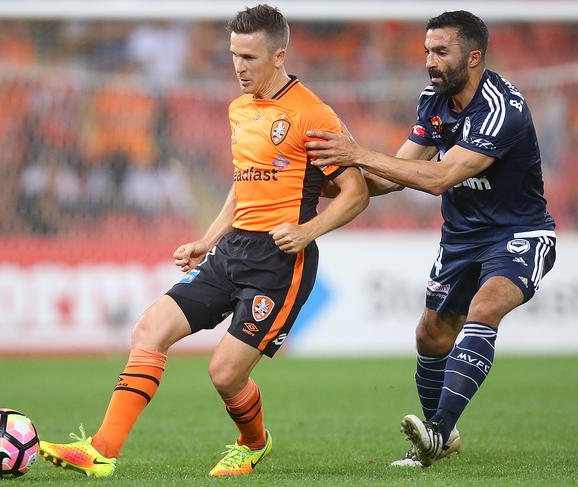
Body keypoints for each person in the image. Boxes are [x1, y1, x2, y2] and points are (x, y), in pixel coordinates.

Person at [38, 4, 368, 478]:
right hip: (232, 252)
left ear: (279, 56)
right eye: (234, 55)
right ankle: (101, 450)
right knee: (150, 329)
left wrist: (306, 231)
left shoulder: (312, 114)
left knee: (225, 374)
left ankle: (253, 444)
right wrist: (207, 239)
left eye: (250, 57)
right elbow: (244, 184)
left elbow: (356, 193)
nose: (238, 67)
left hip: (281, 261)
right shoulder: (239, 109)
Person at [306, 10, 556, 468]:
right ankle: (442, 432)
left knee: (485, 307)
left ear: (474, 56)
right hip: (461, 238)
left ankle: (437, 431)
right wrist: (332, 181)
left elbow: (439, 177)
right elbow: (395, 174)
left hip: (518, 233)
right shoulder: (433, 100)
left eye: (441, 51)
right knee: (430, 335)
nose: (429, 61)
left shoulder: (502, 108)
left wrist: (357, 151)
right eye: (426, 51)